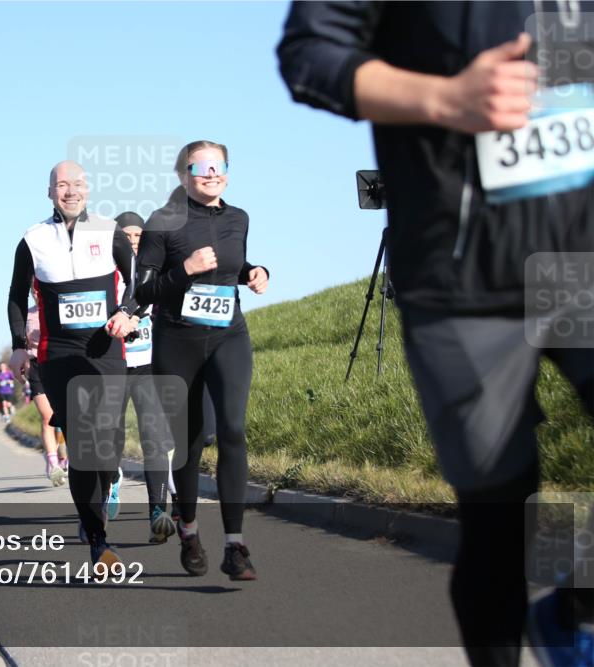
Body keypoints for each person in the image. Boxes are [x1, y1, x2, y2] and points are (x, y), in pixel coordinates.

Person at [279, 5, 594, 666]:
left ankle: (577, 608)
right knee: (500, 512)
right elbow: (309, 54)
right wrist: (447, 97)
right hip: (464, 272)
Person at [135, 141, 269, 581]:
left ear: (227, 172)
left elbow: (234, 261)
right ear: (183, 174)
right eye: (202, 166)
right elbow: (144, 290)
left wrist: (255, 271)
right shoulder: (161, 224)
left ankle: (236, 546)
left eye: (219, 165)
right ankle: (189, 531)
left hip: (229, 335)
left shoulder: (238, 218)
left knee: (232, 429)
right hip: (177, 341)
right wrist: (184, 270)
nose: (212, 173)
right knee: (190, 442)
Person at [8, 160, 137, 566]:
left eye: (77, 184)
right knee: (82, 445)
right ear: (50, 192)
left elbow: (138, 280)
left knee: (109, 441)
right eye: (61, 185)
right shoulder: (33, 239)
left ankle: (109, 480)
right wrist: (17, 344)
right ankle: (98, 540)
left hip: (105, 352)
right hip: (59, 355)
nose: (70, 191)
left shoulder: (108, 230)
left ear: (88, 189)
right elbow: (14, 296)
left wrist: (129, 311)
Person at [114, 211, 179, 543]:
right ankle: (112, 478)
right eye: (126, 237)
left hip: (149, 367)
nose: (133, 242)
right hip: (114, 368)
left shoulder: (159, 273)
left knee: (153, 437)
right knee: (110, 441)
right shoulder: (105, 273)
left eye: (138, 236)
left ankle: (158, 511)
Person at [25, 287, 67, 486]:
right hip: (36, 366)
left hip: (57, 363)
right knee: (48, 416)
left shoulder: (58, 308)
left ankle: (65, 454)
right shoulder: (27, 315)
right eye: (32, 288)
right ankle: (53, 462)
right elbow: (21, 344)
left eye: (37, 286)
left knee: (64, 416)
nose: (35, 291)